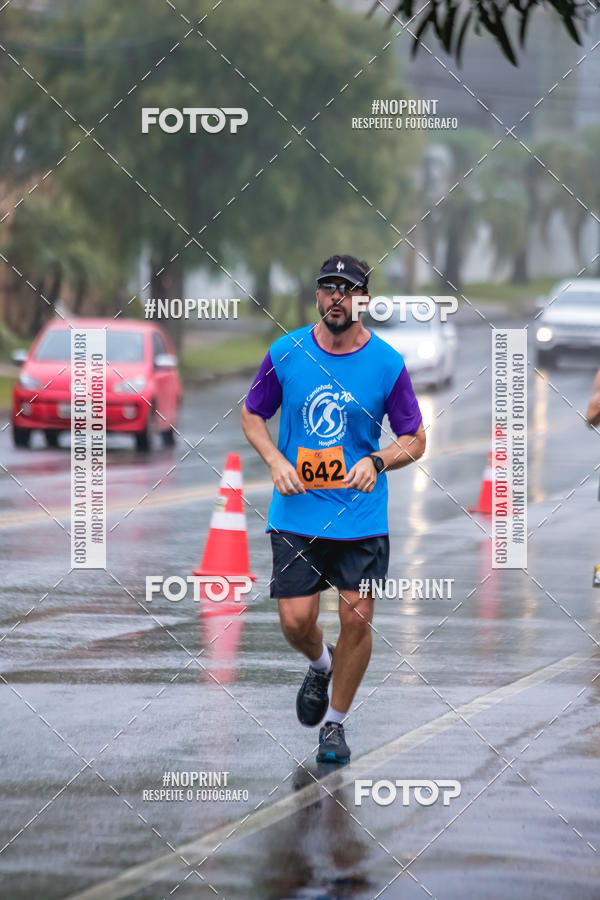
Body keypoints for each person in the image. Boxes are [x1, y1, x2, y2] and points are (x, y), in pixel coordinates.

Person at [241, 254, 426, 764]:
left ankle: (334, 725)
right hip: (297, 515)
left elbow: (415, 439)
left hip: (360, 518)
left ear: (364, 299)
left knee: (357, 619)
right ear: (318, 295)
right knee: (296, 622)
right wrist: (276, 460)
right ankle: (320, 664)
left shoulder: (387, 364)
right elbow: (253, 415)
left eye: (348, 289)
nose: (337, 298)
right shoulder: (287, 351)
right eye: (328, 288)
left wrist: (379, 460)